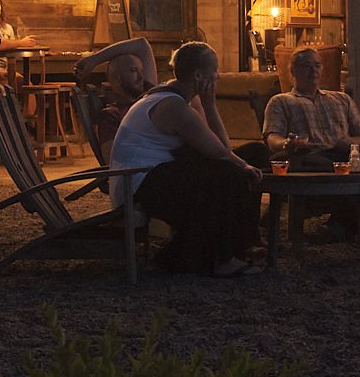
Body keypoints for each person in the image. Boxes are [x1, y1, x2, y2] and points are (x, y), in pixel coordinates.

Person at [106, 41, 261, 276]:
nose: (218, 76)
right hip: (136, 183)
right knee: (228, 172)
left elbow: (216, 148)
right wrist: (210, 105)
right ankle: (224, 258)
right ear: (198, 75)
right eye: (215, 70)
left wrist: (245, 161)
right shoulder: (174, 107)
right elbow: (221, 150)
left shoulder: (172, 95)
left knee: (255, 152)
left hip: (156, 173)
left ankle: (241, 244)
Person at [263, 46, 360, 245]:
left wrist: (350, 143)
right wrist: (286, 144)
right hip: (310, 156)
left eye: (317, 65)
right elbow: (272, 138)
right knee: (338, 171)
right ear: (293, 72)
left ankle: (339, 226)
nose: (313, 70)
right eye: (306, 66)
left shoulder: (341, 99)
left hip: (344, 154)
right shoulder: (281, 101)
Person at [75, 36, 159, 163]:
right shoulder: (111, 115)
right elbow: (112, 160)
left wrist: (94, 60)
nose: (141, 76)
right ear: (116, 79)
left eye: (141, 71)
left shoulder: (147, 95)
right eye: (133, 71)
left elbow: (142, 44)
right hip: (146, 171)